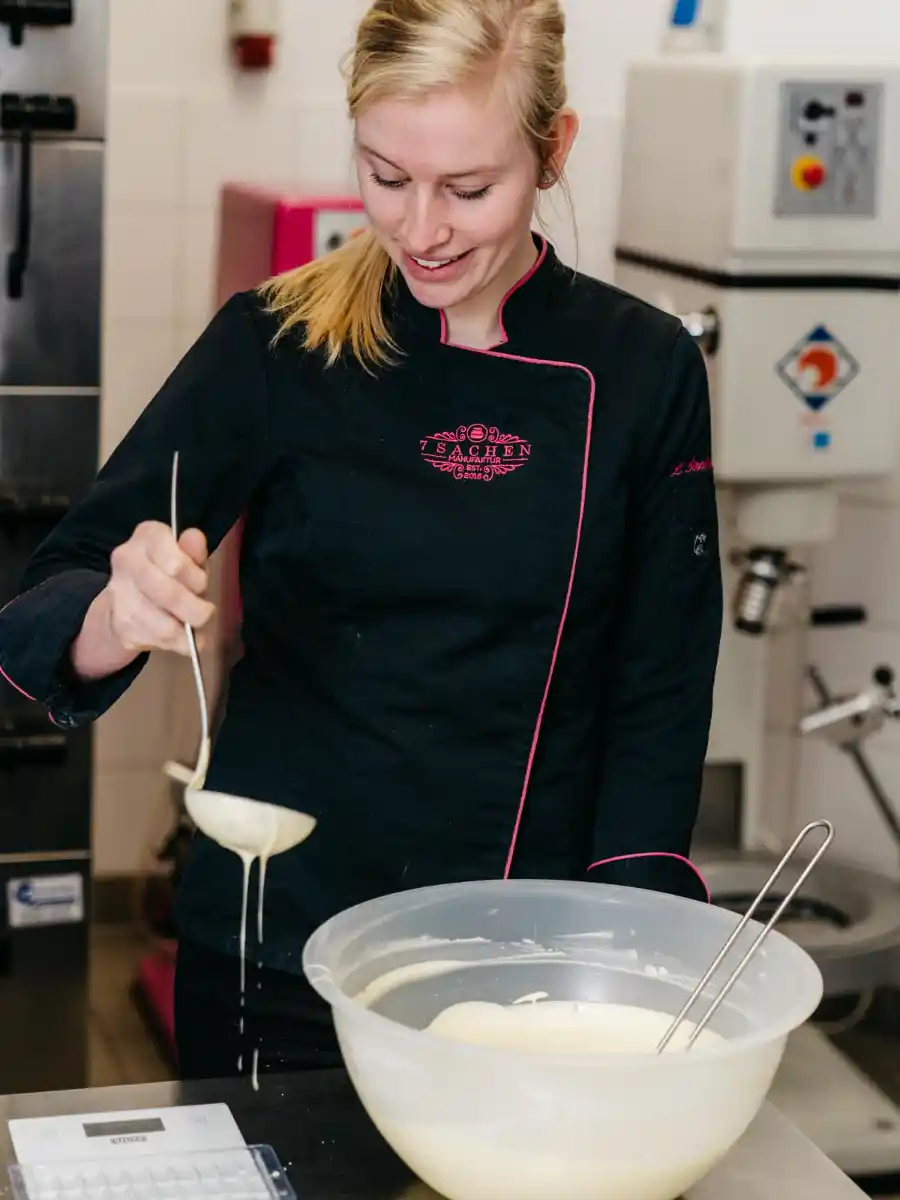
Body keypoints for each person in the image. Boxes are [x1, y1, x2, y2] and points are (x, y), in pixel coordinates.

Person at [0, 0, 722, 1080]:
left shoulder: (644, 370)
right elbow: (43, 597)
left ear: (554, 151)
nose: (421, 228)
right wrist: (116, 612)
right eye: (386, 176)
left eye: (469, 190)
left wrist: (633, 963)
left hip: (529, 969)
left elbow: (659, 691)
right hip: (280, 944)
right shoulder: (278, 341)